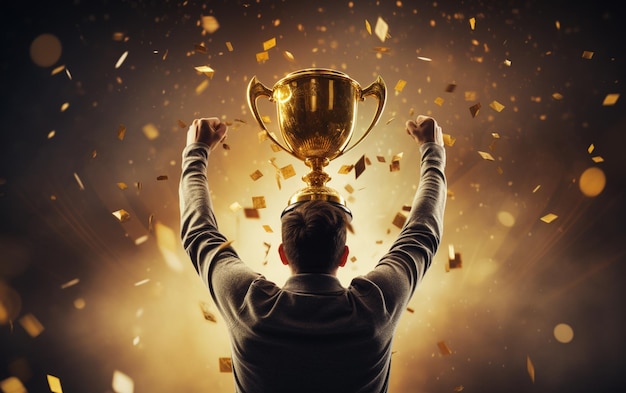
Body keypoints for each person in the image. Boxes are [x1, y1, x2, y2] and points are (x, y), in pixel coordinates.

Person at [179, 114, 446, 393]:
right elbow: (421, 234)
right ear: (344, 255)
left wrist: (197, 152)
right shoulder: (373, 308)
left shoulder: (252, 307)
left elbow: (200, 234)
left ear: (283, 254)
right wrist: (432, 152)